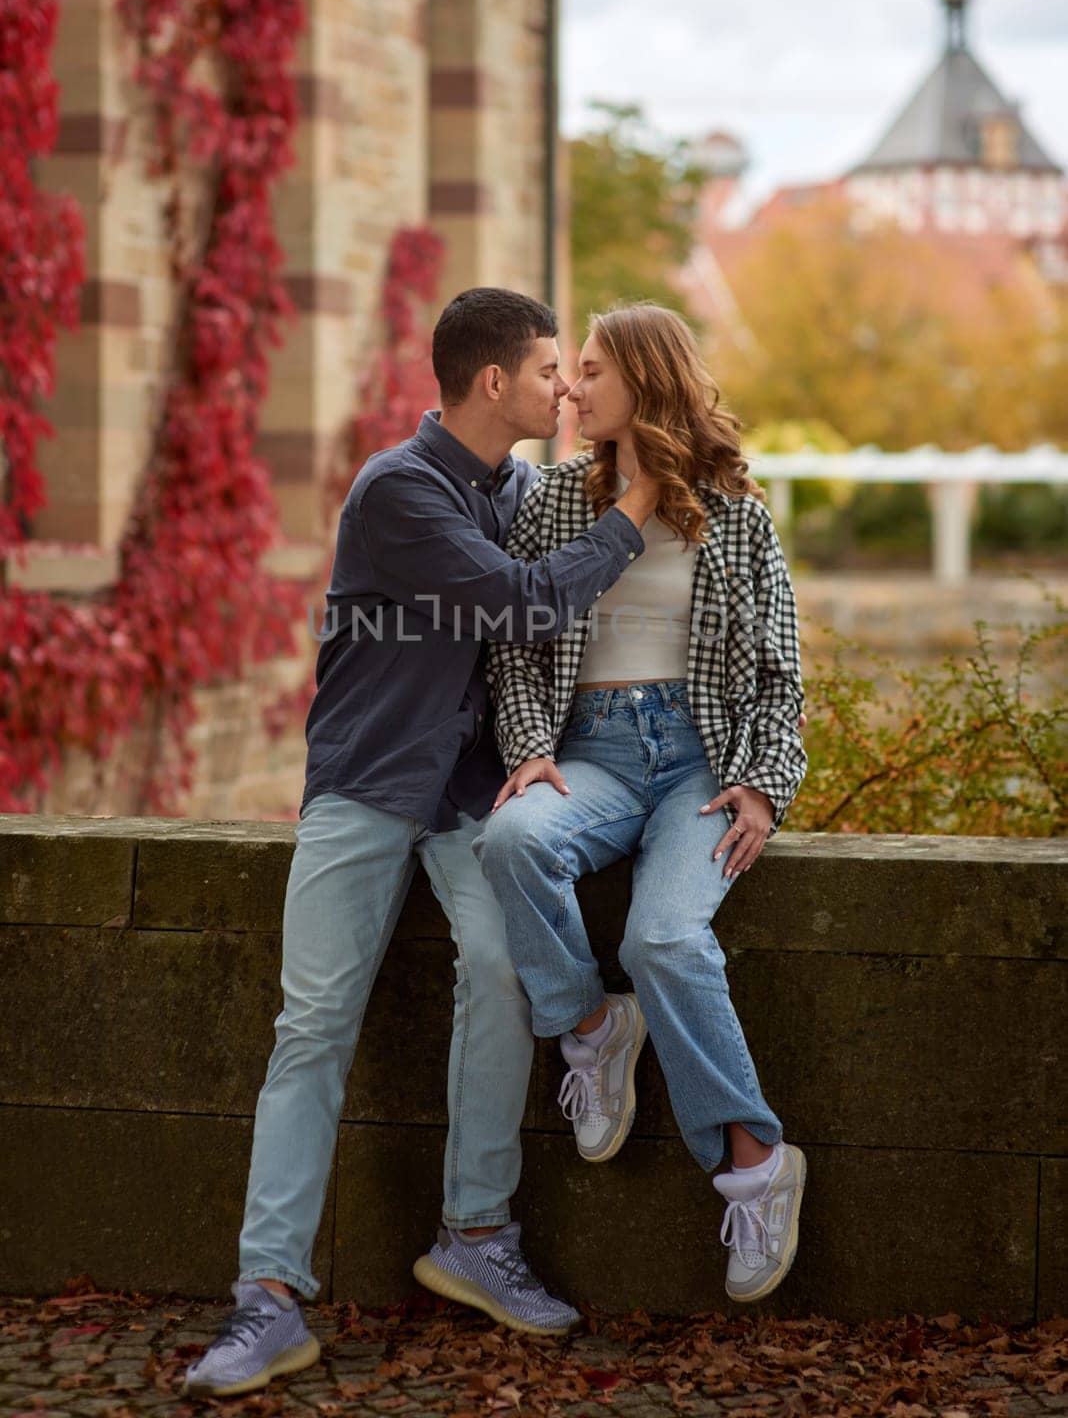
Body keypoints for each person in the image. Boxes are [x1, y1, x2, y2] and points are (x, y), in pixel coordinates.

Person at [183, 288, 660, 1397]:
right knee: (312, 1024)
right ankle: (266, 1298)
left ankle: (476, 1234)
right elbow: (526, 603)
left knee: (504, 970)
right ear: (494, 382)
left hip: (468, 790)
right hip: (364, 785)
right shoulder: (398, 489)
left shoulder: (526, 489)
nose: (565, 387)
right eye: (551, 368)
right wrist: (630, 513)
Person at [473, 302, 808, 1306]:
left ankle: (754, 1162)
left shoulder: (737, 512)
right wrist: (531, 746)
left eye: (589, 370)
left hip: (700, 765)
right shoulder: (557, 501)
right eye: (567, 369)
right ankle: (590, 1026)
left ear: (645, 379)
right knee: (512, 838)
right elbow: (513, 645)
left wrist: (760, 780)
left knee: (664, 942)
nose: (571, 388)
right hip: (595, 756)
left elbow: (782, 672)